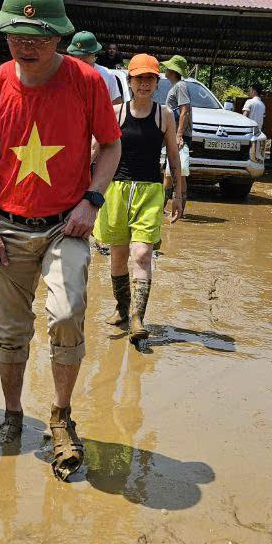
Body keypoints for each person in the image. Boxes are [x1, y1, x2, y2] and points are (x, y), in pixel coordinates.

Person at [0, 0, 122, 480]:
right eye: (17, 34)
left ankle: (60, 415)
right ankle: (12, 415)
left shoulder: (84, 81)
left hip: (65, 226)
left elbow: (111, 147)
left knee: (67, 312)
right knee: (11, 332)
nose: (26, 45)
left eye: (38, 36)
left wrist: (92, 200)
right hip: (8, 227)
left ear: (59, 37)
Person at [94, 54, 182, 346]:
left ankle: (137, 318)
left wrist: (178, 194)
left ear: (157, 83)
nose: (144, 84)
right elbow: (95, 149)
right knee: (118, 257)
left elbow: (172, 156)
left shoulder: (164, 115)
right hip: (116, 191)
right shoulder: (116, 112)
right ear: (129, 82)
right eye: (138, 78)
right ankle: (122, 309)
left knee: (142, 254)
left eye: (150, 79)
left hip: (150, 192)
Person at [160, 54, 192, 216]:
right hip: (172, 135)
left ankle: (163, 209)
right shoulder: (176, 86)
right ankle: (168, 209)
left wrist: (178, 135)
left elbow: (184, 111)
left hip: (178, 137)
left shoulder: (181, 86)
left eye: (167, 68)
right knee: (174, 172)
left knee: (176, 173)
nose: (165, 70)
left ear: (173, 70)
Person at [67, 29, 123, 102]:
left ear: (94, 53)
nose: (81, 59)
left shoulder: (107, 75)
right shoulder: (65, 75)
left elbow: (117, 105)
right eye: (77, 55)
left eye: (85, 55)